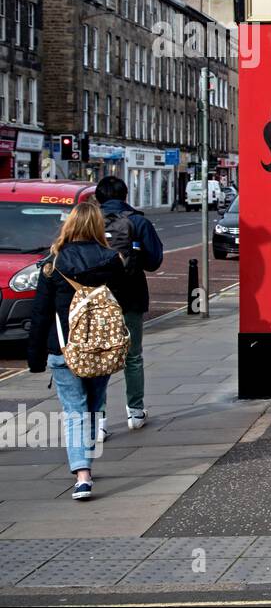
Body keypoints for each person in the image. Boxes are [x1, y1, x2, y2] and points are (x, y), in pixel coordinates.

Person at [27, 202, 127, 500]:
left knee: (74, 411)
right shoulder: (112, 261)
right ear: (97, 227)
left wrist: (35, 358)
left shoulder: (53, 263)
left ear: (69, 225)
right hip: (101, 349)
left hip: (64, 349)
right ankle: (88, 463)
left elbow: (41, 314)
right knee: (94, 406)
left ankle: (82, 474)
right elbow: (121, 304)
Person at [95, 176, 165, 430]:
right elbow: (155, 261)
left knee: (99, 357)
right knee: (132, 356)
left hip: (95, 299)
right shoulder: (138, 222)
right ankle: (135, 413)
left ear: (98, 198)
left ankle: (99, 420)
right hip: (130, 296)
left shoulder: (86, 222)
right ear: (125, 196)